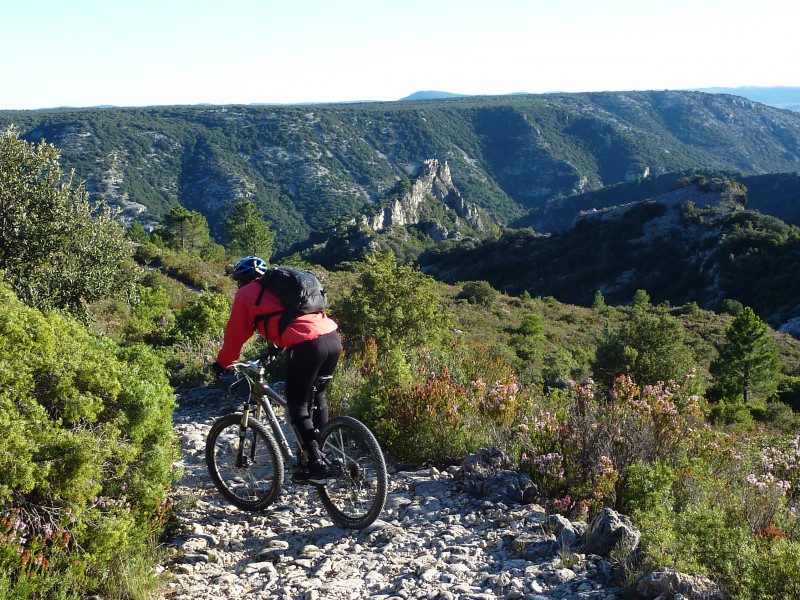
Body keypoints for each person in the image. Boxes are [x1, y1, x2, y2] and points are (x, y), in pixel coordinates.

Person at [211, 256, 342, 484]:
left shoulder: (246, 294)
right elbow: (291, 318)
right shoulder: (282, 290)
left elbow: (236, 335)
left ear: (241, 280)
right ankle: (322, 453)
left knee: (297, 405)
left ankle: (315, 466)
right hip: (332, 338)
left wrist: (223, 364)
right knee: (317, 395)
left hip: (307, 345)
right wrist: (277, 346)